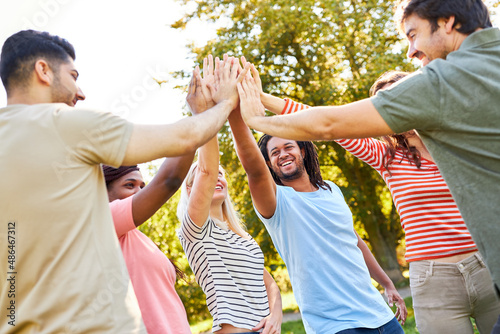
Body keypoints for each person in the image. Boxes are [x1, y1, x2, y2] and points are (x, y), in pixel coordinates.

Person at [237, 1, 500, 329]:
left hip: (485, 264)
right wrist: (260, 103)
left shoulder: (447, 100)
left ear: (447, 22)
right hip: (436, 276)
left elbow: (329, 122)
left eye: (414, 34)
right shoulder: (388, 155)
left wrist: (255, 117)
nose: (411, 51)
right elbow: (329, 124)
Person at [0, 30, 244, 333]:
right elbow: (182, 143)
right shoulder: (62, 122)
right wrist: (223, 104)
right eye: (73, 75)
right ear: (43, 71)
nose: (80, 92)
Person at [230, 75, 406, 333]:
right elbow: (252, 167)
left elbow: (354, 240)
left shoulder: (331, 189)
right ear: (268, 163)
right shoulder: (276, 203)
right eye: (274, 152)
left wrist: (387, 283)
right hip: (334, 325)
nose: (283, 154)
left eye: (287, 146)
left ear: (302, 150)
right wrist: (236, 111)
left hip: (379, 315)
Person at [176, 56, 282, 334]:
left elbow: (270, 284)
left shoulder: (242, 236)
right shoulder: (195, 230)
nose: (218, 176)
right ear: (191, 190)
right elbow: (208, 171)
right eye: (208, 176)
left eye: (224, 174)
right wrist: (206, 112)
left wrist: (276, 315)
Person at [103, 155, 194, 333]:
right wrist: (196, 133)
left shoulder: (138, 237)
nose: (140, 192)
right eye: (130, 185)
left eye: (142, 186)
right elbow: (169, 180)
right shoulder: (105, 219)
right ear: (103, 191)